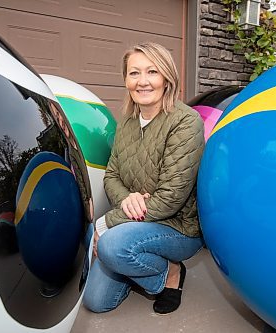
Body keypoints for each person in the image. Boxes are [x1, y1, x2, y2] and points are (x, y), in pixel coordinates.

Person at [83, 42, 205, 315]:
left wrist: (107, 223)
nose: (143, 81)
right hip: (134, 221)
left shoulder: (186, 122)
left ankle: (171, 274)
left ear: (167, 78)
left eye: (152, 72)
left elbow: (170, 199)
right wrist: (127, 198)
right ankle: (135, 267)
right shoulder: (126, 122)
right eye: (134, 73)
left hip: (177, 226)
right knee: (96, 301)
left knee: (109, 242)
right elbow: (112, 174)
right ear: (125, 79)